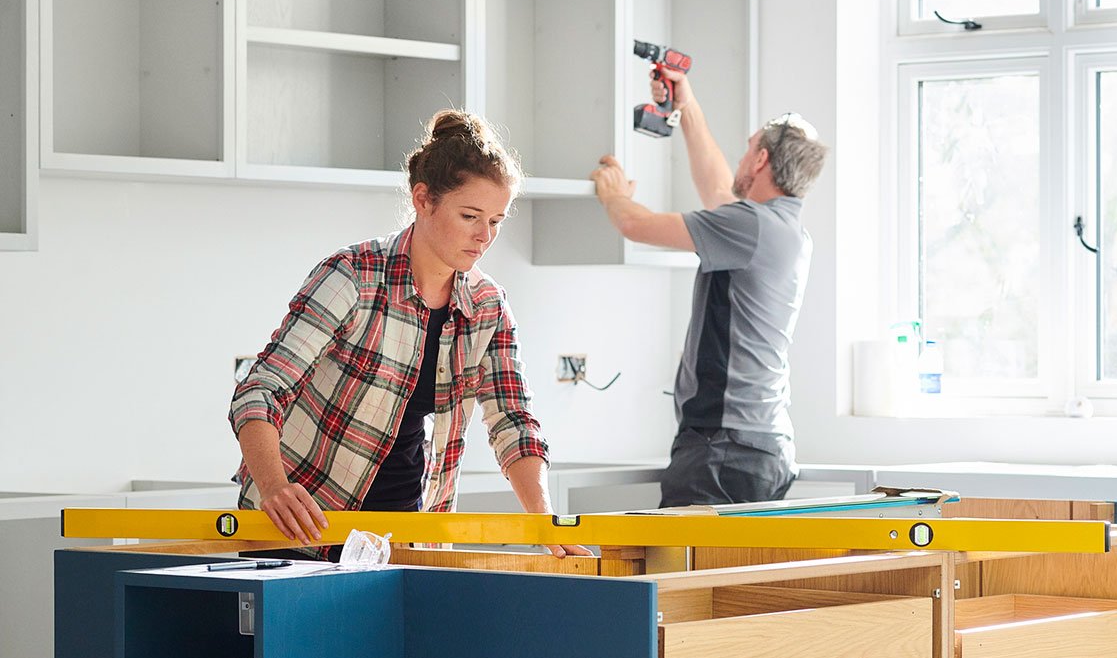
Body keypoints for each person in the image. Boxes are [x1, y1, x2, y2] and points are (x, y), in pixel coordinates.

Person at [229, 109, 587, 559]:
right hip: (301, 528)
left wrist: (544, 522)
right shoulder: (353, 276)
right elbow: (259, 391)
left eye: (496, 221)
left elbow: (513, 423)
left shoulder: (487, 307)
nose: (484, 236)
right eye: (471, 216)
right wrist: (274, 488)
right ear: (423, 199)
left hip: (404, 537)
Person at [590, 70, 829, 508]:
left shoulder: (750, 225)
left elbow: (635, 225)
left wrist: (613, 193)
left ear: (760, 161)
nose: (740, 159)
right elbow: (718, 189)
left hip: (723, 449)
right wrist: (687, 105)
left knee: (681, 574)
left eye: (747, 149)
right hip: (756, 446)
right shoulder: (781, 228)